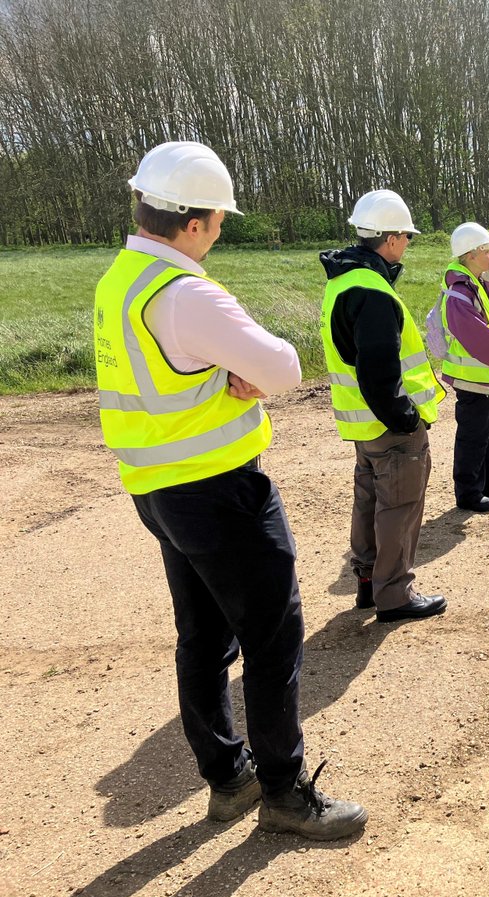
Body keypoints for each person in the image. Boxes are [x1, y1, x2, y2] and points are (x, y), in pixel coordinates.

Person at [94, 141, 366, 839]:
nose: (218, 234)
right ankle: (282, 795)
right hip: (218, 491)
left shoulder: (121, 280)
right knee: (273, 640)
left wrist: (218, 373)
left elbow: (168, 378)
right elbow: (282, 366)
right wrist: (238, 371)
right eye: (216, 222)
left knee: (203, 636)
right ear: (191, 222)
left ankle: (228, 778)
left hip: (156, 490)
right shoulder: (187, 292)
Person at [318, 189, 447, 622]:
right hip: (389, 427)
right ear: (390, 239)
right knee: (400, 507)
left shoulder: (343, 280)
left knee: (370, 502)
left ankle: (369, 583)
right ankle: (394, 595)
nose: (408, 244)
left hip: (362, 427)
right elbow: (379, 375)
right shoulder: (372, 291)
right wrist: (407, 418)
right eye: (406, 237)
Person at [436, 222, 489, 513]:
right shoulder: (460, 292)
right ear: (471, 254)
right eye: (487, 249)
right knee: (473, 435)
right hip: (472, 377)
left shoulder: (483, 283)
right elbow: (476, 336)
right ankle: (469, 492)